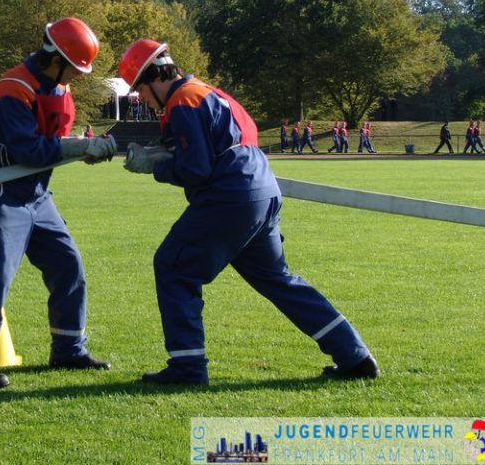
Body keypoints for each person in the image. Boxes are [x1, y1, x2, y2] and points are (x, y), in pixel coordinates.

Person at [118, 39, 378, 385]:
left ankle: (187, 368)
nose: (143, 100)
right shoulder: (209, 92)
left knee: (173, 267)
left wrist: (156, 168)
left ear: (152, 77)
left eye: (141, 91)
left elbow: (196, 168)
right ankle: (354, 354)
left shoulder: (182, 101)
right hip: (263, 188)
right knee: (278, 279)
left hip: (230, 195)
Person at [0, 17, 116, 390]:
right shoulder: (13, 87)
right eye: (74, 69)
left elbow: (53, 150)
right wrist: (77, 147)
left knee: (68, 266)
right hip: (2, 194)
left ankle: (69, 349)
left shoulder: (61, 93)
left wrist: (83, 151)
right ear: (54, 58)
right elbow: (26, 150)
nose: (75, 77)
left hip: (38, 196)